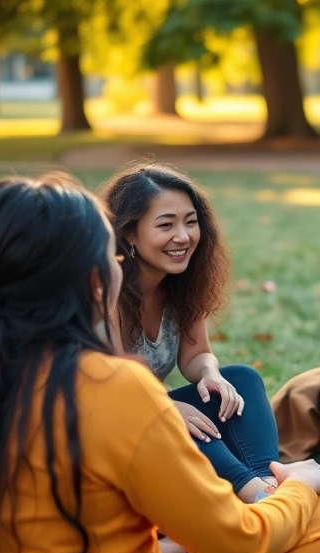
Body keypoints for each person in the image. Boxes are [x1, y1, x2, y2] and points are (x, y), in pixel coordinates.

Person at [0, 174, 320, 553]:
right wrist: (296, 489)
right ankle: (255, 494)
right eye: (112, 256)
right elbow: (243, 545)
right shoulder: (113, 382)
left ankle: (228, 506)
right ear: (96, 275)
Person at [100, 163, 282, 506]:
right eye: (166, 225)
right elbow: (108, 387)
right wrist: (165, 407)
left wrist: (211, 374)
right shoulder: (107, 293)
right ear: (129, 234)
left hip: (149, 408)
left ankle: (267, 478)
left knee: (240, 379)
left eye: (191, 221)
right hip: (109, 422)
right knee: (182, 420)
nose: (183, 236)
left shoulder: (180, 286)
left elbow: (195, 356)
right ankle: (254, 494)